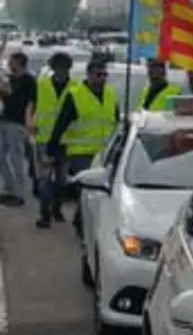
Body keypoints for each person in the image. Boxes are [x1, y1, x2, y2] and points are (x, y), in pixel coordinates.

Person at [45, 59, 119, 231]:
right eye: (98, 75)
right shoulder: (75, 95)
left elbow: (115, 122)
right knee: (87, 188)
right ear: (89, 74)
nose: (102, 79)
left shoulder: (110, 94)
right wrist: (52, 148)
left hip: (104, 152)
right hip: (81, 151)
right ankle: (81, 222)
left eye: (104, 75)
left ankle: (82, 219)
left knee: (100, 191)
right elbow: (61, 123)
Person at [32, 52, 76, 227]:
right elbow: (32, 103)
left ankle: (56, 208)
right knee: (44, 179)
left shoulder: (75, 87)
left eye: (63, 68)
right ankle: (44, 215)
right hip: (44, 138)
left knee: (61, 180)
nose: (60, 71)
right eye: (57, 67)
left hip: (66, 140)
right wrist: (30, 120)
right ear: (52, 68)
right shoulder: (41, 84)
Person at [0, 50, 37, 206]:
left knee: (16, 159)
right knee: (1, 158)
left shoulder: (28, 81)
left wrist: (29, 123)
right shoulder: (11, 79)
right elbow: (6, 96)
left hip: (17, 123)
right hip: (4, 121)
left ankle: (19, 194)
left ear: (19, 63)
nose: (9, 64)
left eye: (11, 62)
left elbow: (31, 102)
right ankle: (9, 188)